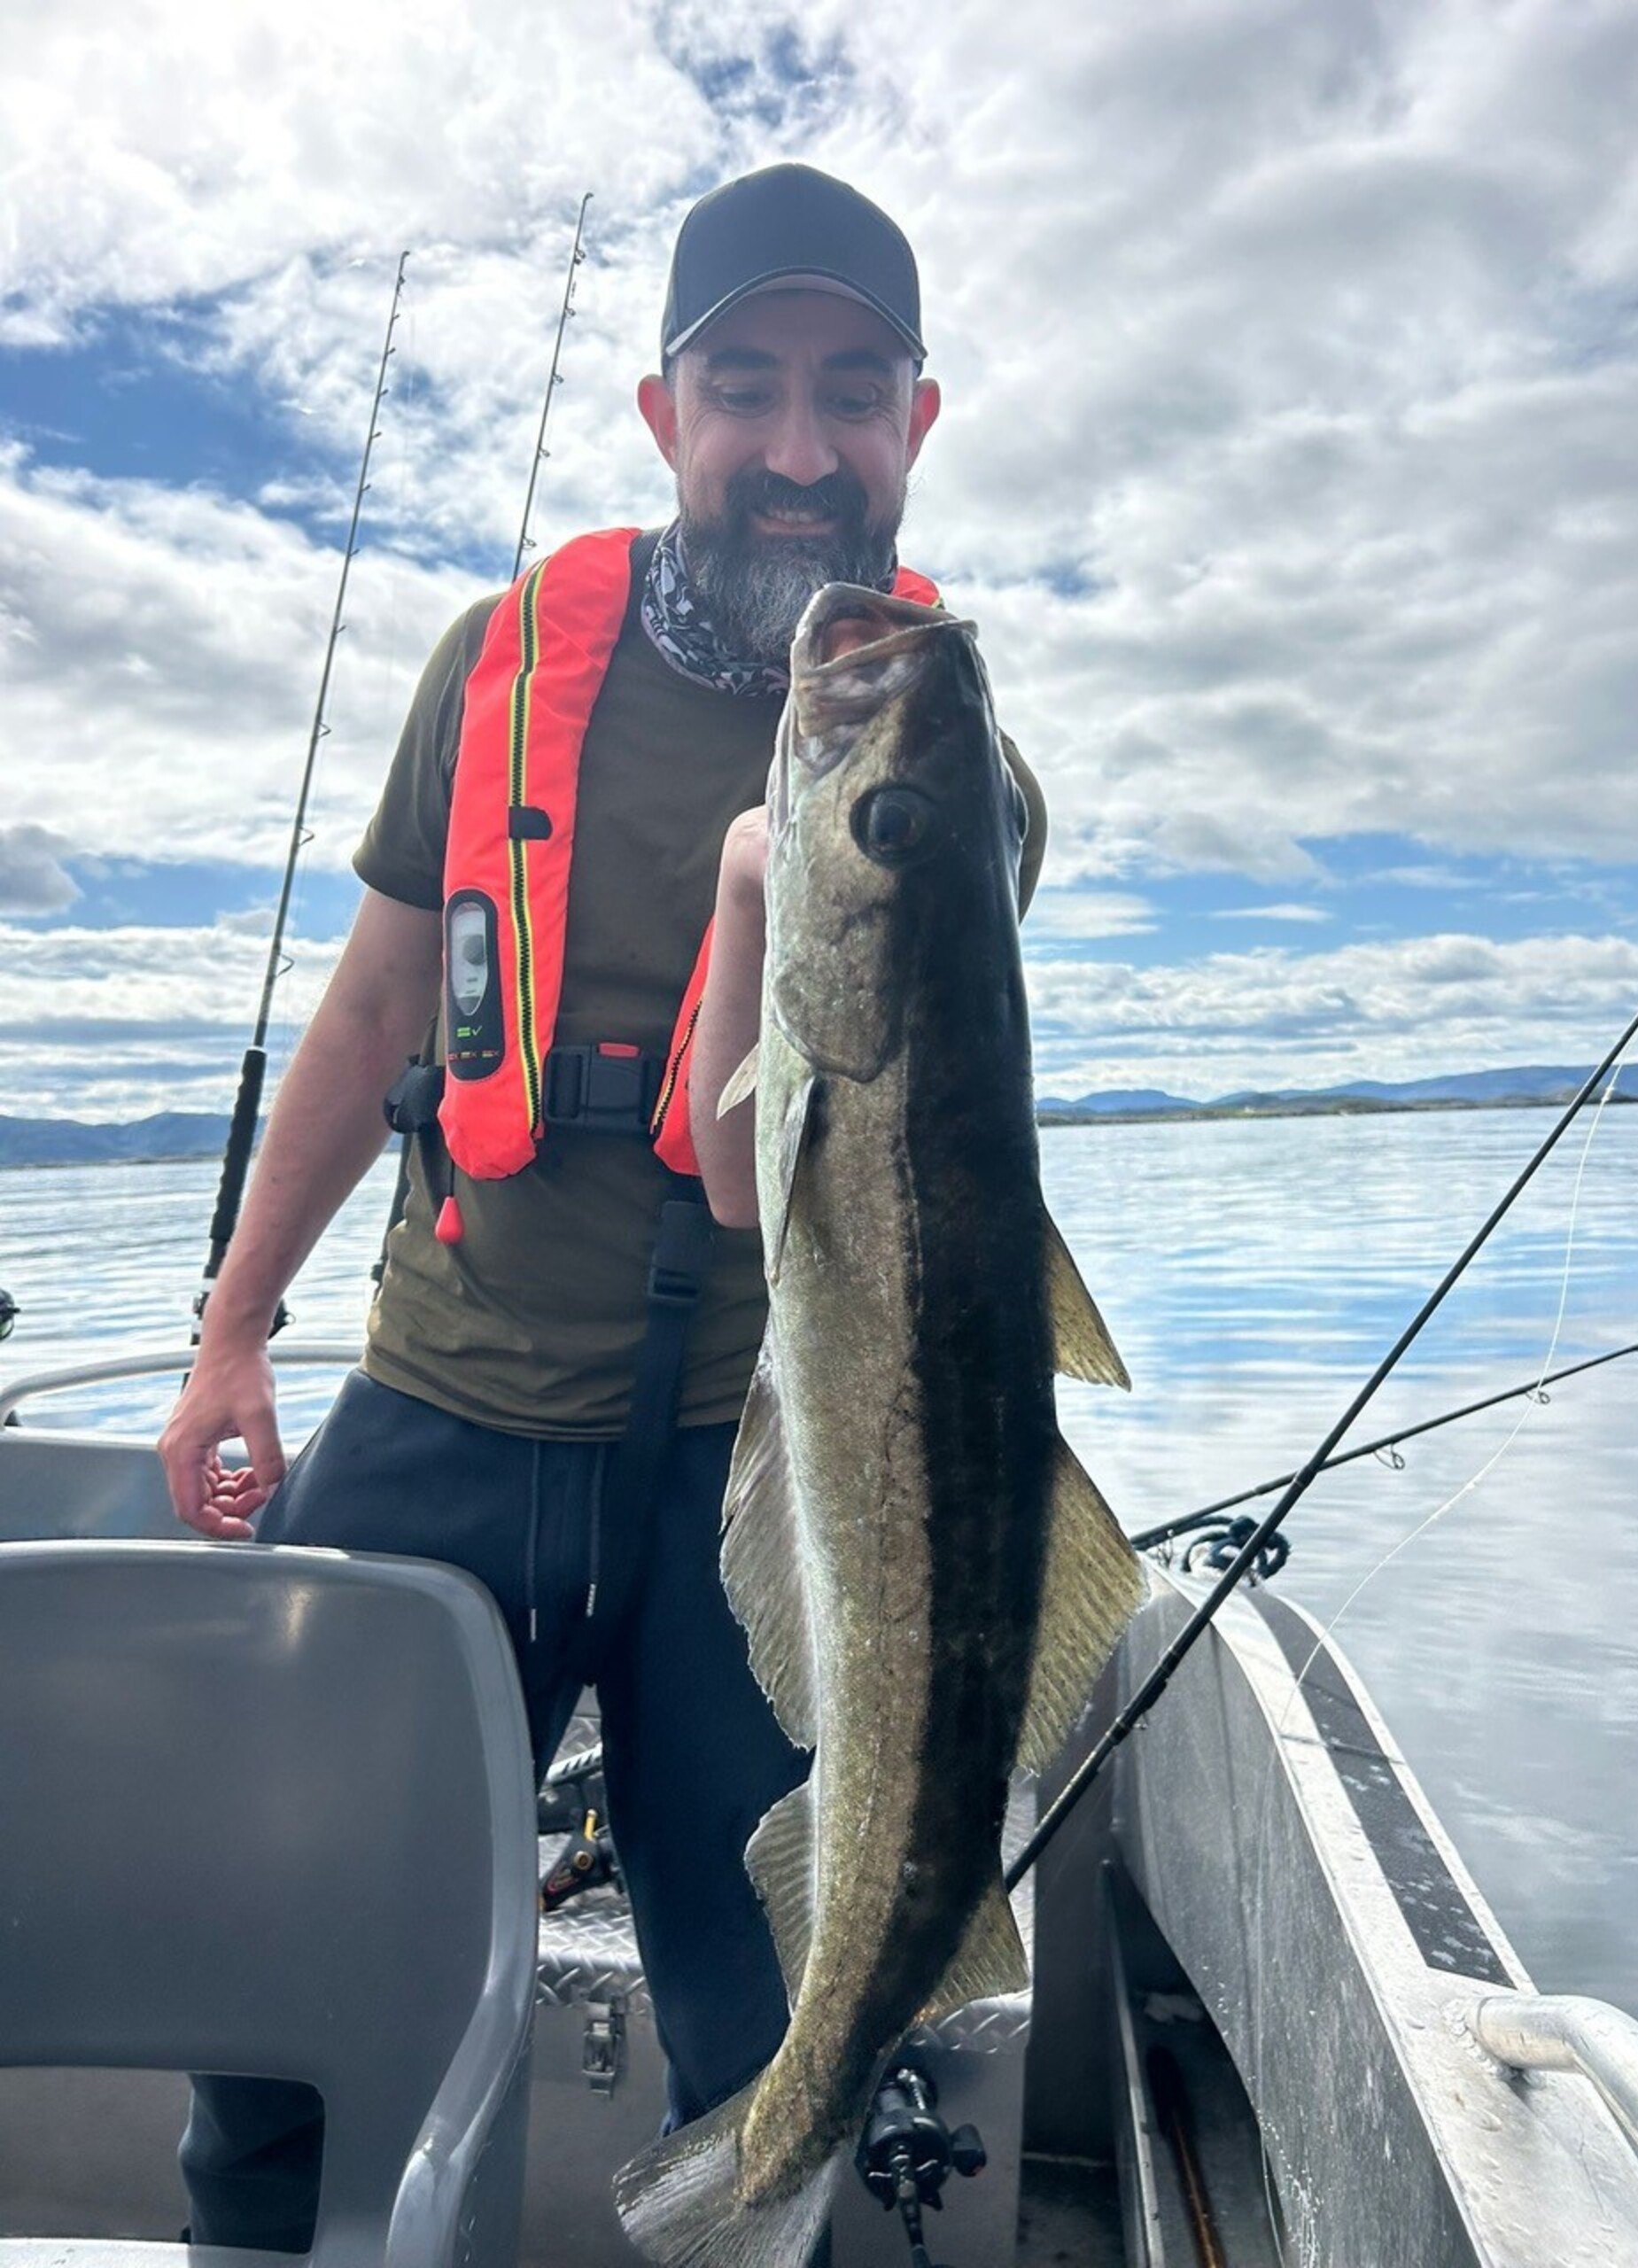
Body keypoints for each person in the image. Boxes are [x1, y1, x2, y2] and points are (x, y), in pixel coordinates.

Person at [159, 161, 1045, 2251]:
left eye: (854, 392)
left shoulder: (941, 770)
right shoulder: (499, 664)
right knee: (279, 1970)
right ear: (664, 414)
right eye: (746, 388)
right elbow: (377, 1001)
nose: (801, 448)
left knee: (762, 2008)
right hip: (445, 1397)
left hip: (759, 1451)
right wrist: (232, 1324)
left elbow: (764, 1160)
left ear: (918, 422)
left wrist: (762, 885)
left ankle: (741, 2207)